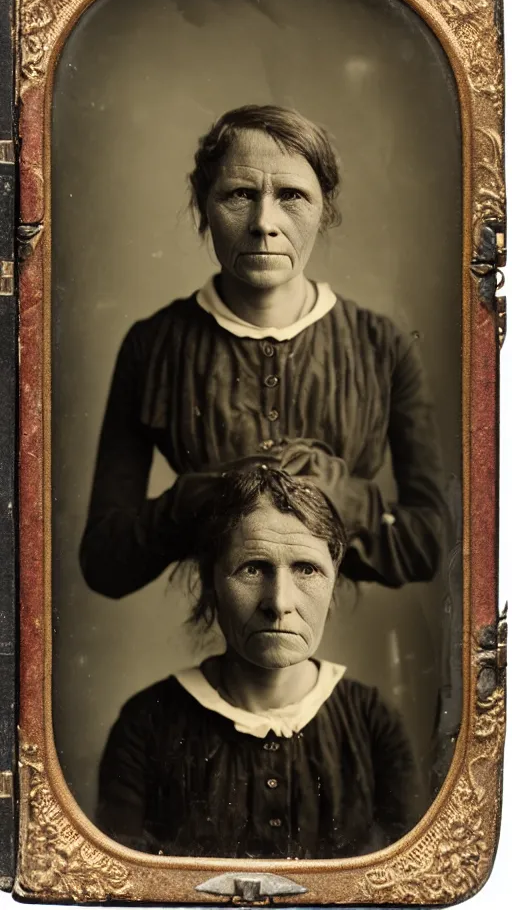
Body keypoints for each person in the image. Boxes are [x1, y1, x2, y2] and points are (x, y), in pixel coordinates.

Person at [80, 104, 447, 599]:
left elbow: (436, 544)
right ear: (203, 207)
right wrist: (199, 497)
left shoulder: (384, 346)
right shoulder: (154, 346)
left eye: (292, 195)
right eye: (239, 194)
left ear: (325, 209)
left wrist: (344, 499)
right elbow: (104, 563)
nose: (264, 223)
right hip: (210, 625)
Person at [97, 467, 420, 858]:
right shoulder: (146, 725)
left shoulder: (373, 723)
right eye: (253, 568)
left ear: (334, 581)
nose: (279, 603)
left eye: (307, 569)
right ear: (211, 581)